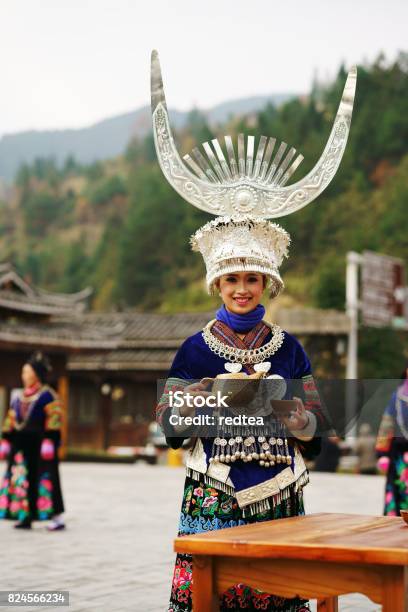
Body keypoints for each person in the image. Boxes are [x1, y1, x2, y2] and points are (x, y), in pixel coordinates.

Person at [151, 51, 356, 611]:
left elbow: (317, 433)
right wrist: (203, 398)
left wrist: (295, 414)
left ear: (268, 283)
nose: (243, 288)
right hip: (212, 494)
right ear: (216, 285)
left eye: (253, 278)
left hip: (278, 494)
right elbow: (168, 429)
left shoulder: (290, 349)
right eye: (232, 279)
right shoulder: (194, 349)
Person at [0, 352, 65, 530]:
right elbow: (11, 419)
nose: (23, 376)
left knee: (46, 479)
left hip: (41, 446)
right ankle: (25, 515)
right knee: (22, 480)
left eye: (26, 372)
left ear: (36, 374)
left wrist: (50, 440)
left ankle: (56, 516)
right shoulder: (18, 397)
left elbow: (55, 418)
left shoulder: (47, 395)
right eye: (23, 372)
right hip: (21, 446)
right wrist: (5, 440)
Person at [376, 365, 408, 516]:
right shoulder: (397, 396)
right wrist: (382, 453)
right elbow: (386, 424)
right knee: (397, 493)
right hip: (399, 455)